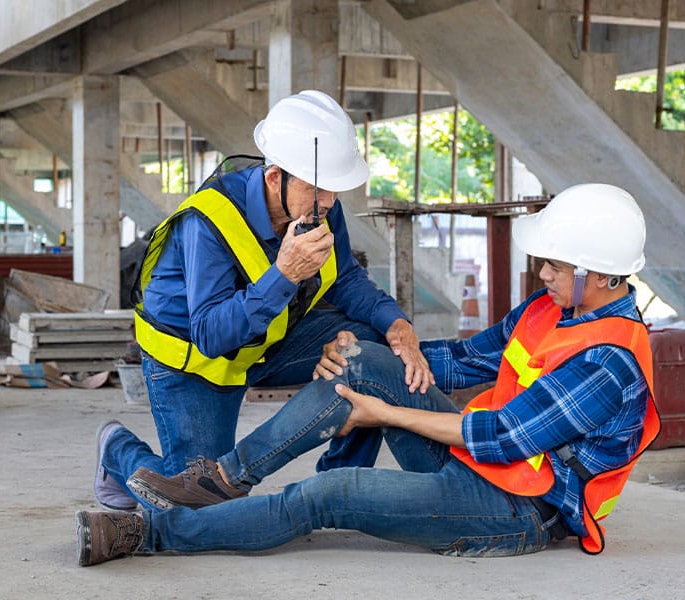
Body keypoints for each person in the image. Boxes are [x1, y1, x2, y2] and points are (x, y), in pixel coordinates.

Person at [75, 183, 662, 565]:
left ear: (600, 275)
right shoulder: (550, 309)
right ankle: (224, 478)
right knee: (360, 359)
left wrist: (380, 412)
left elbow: (503, 436)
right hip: (483, 461)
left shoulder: (608, 360)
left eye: (556, 266)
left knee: (329, 496)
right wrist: (380, 346)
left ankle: (150, 533)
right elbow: (462, 361)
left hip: (517, 507)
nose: (543, 275)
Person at [94, 90, 433, 511]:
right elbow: (212, 335)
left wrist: (396, 323)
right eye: (318, 189)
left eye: (335, 190)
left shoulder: (319, 207)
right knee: (197, 503)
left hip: (266, 341)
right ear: (275, 177)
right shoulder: (208, 221)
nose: (328, 202)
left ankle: (339, 481)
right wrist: (285, 274)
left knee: (372, 350)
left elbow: (344, 278)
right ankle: (117, 449)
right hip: (196, 360)